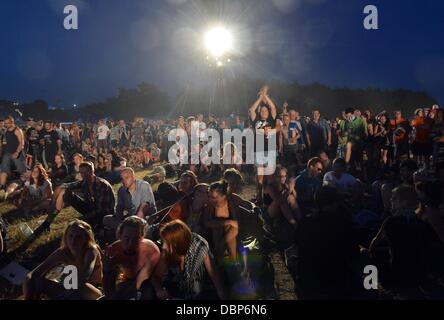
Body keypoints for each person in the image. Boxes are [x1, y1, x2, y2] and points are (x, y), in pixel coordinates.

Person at [296, 186, 358, 299]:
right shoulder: (343, 223)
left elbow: (299, 248)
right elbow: (353, 252)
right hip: (336, 280)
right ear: (335, 203)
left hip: (309, 280)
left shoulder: (305, 223)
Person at [369, 186, 430, 292]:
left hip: (397, 272)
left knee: (366, 253)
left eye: (394, 198)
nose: (390, 200)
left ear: (404, 202)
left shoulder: (390, 221)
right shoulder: (421, 221)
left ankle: (376, 288)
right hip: (420, 272)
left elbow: (374, 244)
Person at [23, 220, 103, 300]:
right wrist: (28, 293)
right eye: (70, 236)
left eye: (78, 237)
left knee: (79, 286)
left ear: (86, 238)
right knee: (36, 282)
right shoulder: (62, 252)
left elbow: (85, 275)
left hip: (93, 291)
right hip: (71, 289)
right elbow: (32, 275)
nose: (73, 241)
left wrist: (64, 294)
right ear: (66, 237)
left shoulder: (91, 251)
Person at [153, 220, 225, 300]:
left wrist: (222, 295)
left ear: (176, 242)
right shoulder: (167, 251)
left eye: (166, 243)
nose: (163, 247)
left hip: (194, 293)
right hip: (172, 293)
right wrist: (159, 289)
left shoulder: (199, 245)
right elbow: (156, 276)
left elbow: (214, 273)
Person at [103, 216, 160, 300]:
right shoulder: (114, 250)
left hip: (149, 282)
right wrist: (106, 269)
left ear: (142, 237)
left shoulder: (151, 250)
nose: (130, 244)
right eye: (126, 238)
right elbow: (108, 284)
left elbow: (142, 279)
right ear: (120, 235)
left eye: (135, 239)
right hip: (126, 280)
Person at [50, 162, 115, 229]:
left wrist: (83, 218)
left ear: (92, 171)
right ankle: (48, 222)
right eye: (81, 173)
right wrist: (60, 188)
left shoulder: (101, 185)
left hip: (105, 215)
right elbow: (70, 185)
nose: (84, 175)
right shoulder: (85, 182)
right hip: (92, 209)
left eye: (86, 172)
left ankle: (96, 226)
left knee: (79, 225)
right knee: (66, 193)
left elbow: (102, 210)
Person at [249, 85, 277, 205]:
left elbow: (272, 106)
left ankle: (269, 199)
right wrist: (261, 97)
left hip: (270, 151)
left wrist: (265, 95)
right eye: (262, 111)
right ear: (260, 112)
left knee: (270, 178)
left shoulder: (272, 119)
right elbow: (252, 109)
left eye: (266, 111)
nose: (265, 112)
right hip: (259, 150)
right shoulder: (256, 120)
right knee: (259, 177)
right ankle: (259, 199)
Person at [103, 168, 156, 232]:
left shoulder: (143, 185)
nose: (124, 181)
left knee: (142, 227)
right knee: (106, 219)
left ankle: (128, 230)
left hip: (146, 218)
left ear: (134, 177)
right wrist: (119, 217)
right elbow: (119, 209)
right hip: (130, 219)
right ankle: (126, 229)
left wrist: (135, 222)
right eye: (122, 179)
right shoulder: (122, 191)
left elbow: (144, 207)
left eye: (127, 177)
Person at [0, 116, 26, 190]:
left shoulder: (17, 130)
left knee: (22, 172)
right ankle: (2, 187)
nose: (6, 124)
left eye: (7, 123)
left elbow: (22, 143)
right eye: (5, 123)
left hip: (17, 153)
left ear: (12, 122)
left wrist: (17, 152)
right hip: (8, 153)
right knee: (4, 170)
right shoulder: (6, 130)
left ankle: (23, 188)